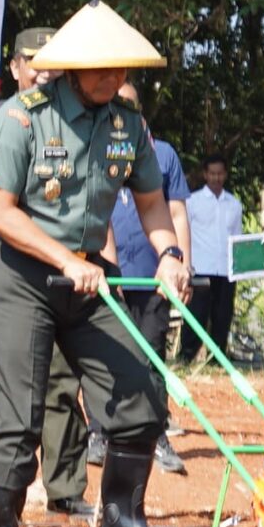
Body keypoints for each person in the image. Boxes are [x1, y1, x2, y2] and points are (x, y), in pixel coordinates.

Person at [0, 1, 188, 527]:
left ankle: (122, 521)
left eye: (120, 69)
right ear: (70, 68)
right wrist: (65, 259)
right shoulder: (23, 118)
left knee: (138, 390)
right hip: (22, 275)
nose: (111, 79)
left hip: (88, 276)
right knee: (20, 411)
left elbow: (150, 201)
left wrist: (170, 254)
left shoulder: (127, 125)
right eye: (99, 69)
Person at [0, 26, 88, 515]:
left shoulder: (77, 125)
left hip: (62, 270)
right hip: (5, 270)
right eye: (34, 61)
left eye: (53, 62)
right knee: (8, 384)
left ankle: (66, 491)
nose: (44, 71)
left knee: (63, 379)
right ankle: (0, 495)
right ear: (15, 67)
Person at [97, 80, 190, 474]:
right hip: (107, 276)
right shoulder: (91, 146)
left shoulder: (162, 154)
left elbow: (177, 212)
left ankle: (158, 434)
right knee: (106, 357)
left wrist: (180, 264)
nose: (119, 111)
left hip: (151, 277)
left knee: (152, 355)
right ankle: (100, 433)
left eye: (126, 105)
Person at [183, 155, 242, 363]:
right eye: (212, 173)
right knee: (196, 315)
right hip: (200, 267)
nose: (216, 178)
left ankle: (218, 361)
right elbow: (185, 232)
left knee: (222, 316)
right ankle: (186, 357)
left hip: (226, 270)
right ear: (205, 174)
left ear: (225, 175)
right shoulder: (192, 201)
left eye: (220, 173)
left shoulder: (234, 204)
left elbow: (238, 238)